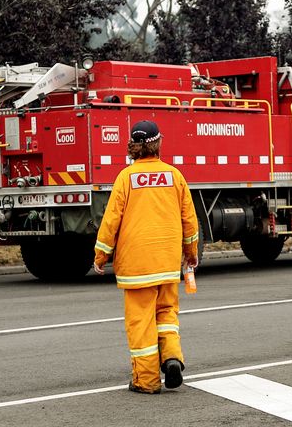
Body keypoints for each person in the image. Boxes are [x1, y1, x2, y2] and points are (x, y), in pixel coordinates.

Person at [93, 120, 199, 393]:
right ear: (158, 143)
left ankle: (147, 380)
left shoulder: (125, 178)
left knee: (141, 323)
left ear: (133, 146)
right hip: (166, 264)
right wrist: (190, 253)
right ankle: (173, 357)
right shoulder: (174, 176)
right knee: (166, 314)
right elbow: (189, 219)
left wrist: (101, 254)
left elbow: (111, 220)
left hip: (137, 266)